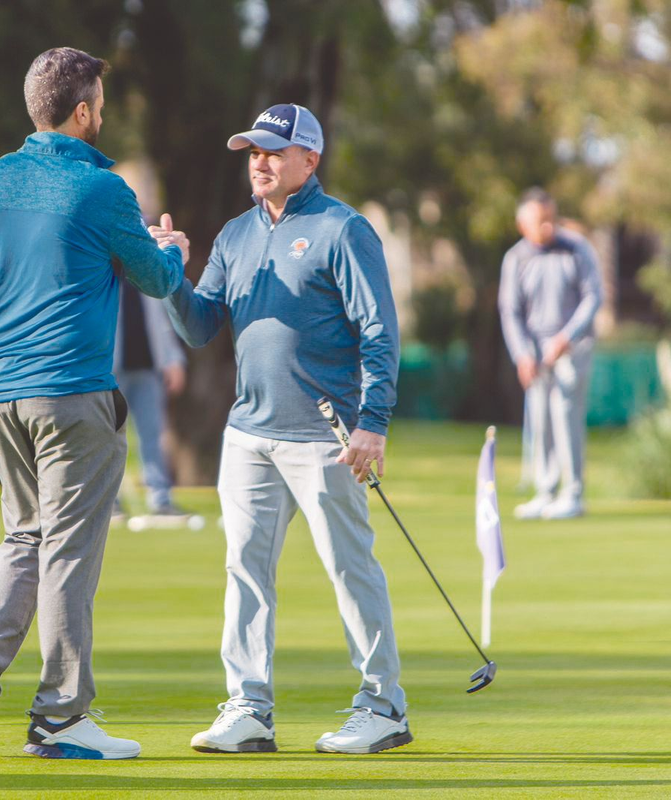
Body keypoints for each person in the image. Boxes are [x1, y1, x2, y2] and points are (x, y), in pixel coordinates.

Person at [0, 46, 187, 760]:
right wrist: (174, 252)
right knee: (68, 550)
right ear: (82, 112)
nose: (102, 114)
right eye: (99, 104)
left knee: (26, 535)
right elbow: (155, 279)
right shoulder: (103, 190)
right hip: (71, 393)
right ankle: (61, 718)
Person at [154, 104, 410, 755]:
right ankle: (250, 708)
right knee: (244, 570)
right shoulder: (237, 234)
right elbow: (200, 325)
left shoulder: (342, 230)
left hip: (326, 436)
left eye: (272, 150)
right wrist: (170, 278)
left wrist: (372, 422)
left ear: (309, 160)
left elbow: (379, 330)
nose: (259, 161)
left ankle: (383, 705)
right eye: (252, 151)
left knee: (350, 569)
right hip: (248, 436)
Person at [498, 188, 603, 520]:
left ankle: (573, 493)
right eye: (539, 221)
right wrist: (522, 355)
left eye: (550, 219)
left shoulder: (576, 248)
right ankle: (546, 491)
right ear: (522, 223)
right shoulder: (515, 258)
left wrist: (566, 337)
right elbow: (510, 310)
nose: (547, 227)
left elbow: (593, 297)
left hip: (573, 346)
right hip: (536, 349)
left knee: (565, 412)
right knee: (540, 414)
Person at [112, 280, 189, 519]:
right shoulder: (103, 277)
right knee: (109, 437)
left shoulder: (148, 281)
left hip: (149, 370)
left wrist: (174, 360)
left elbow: (164, 324)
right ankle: (110, 502)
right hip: (111, 371)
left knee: (154, 436)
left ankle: (161, 501)